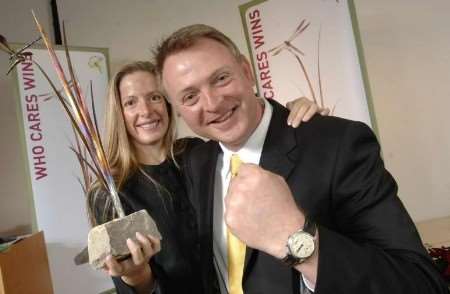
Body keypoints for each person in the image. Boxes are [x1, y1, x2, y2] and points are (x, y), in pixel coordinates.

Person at [155, 24, 449, 294]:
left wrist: (299, 241)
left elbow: (420, 283)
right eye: (190, 96)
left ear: (246, 71)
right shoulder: (196, 163)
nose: (212, 103)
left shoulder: (337, 143)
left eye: (220, 78)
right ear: (178, 110)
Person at [88, 61, 327, 294]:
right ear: (118, 113)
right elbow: (129, 283)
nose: (146, 111)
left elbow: (257, 146)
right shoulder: (111, 193)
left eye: (155, 97)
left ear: (170, 104)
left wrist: (289, 115)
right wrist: (138, 277)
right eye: (131, 103)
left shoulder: (199, 153)